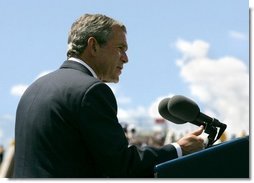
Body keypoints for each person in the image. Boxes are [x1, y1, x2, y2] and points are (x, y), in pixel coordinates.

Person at [13, 13, 204, 178]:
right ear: (93, 45)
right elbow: (121, 166)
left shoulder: (33, 89)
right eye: (120, 48)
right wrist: (178, 148)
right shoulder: (91, 91)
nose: (126, 58)